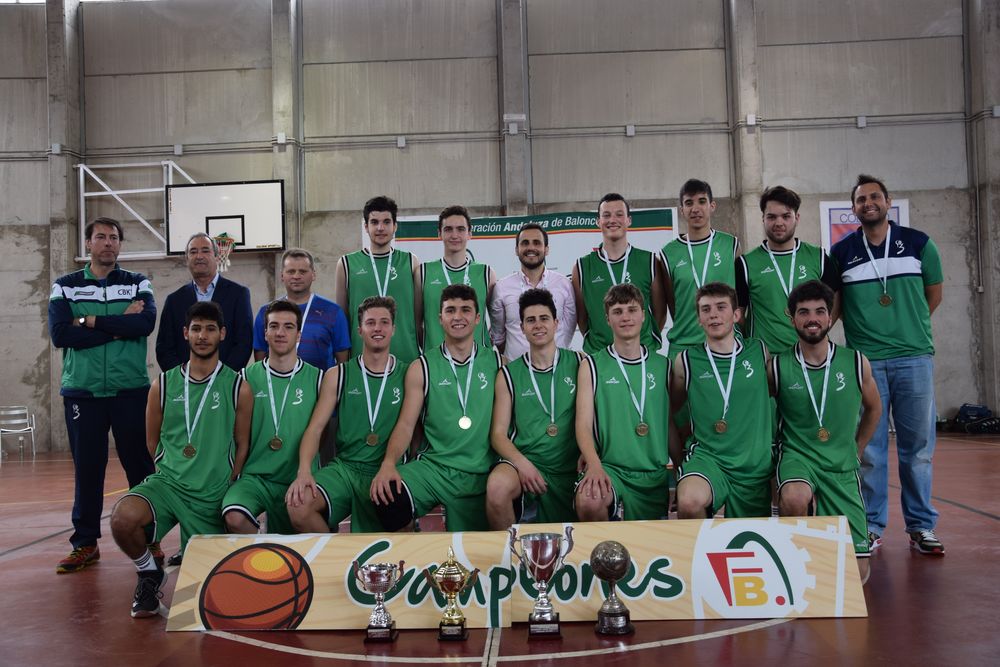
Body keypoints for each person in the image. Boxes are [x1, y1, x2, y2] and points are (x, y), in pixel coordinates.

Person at [109, 301, 252, 617]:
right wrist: (171, 466)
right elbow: (152, 440)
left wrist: (229, 481)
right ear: (186, 333)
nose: (203, 336)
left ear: (222, 334)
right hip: (169, 485)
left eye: (210, 329)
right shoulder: (162, 384)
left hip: (212, 494)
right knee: (122, 519)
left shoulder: (238, 386)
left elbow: (243, 443)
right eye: (197, 328)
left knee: (213, 608)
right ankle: (149, 572)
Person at [830, 174, 945, 555]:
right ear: (854, 208)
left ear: (888, 201)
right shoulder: (843, 251)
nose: (868, 203)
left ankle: (921, 526)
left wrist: (907, 331)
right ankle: (872, 526)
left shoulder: (918, 244)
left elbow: (933, 294)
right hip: (867, 362)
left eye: (874, 197)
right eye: (861, 199)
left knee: (918, 448)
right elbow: (836, 306)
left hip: (914, 358)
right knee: (870, 450)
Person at [49, 217, 158, 574]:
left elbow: (143, 324)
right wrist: (115, 330)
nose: (108, 243)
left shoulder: (138, 283)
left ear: (120, 245)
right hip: (84, 393)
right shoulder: (64, 287)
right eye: (100, 237)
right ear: (88, 244)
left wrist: (90, 321)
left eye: (114, 237)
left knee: (140, 467)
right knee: (88, 468)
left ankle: (150, 537)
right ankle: (85, 544)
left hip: (130, 390)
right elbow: (62, 335)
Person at [771, 280, 882, 583]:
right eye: (804, 312)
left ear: (830, 318)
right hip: (798, 458)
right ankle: (795, 562)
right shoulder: (778, 367)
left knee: (858, 577)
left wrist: (858, 448)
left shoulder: (856, 362)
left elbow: (875, 409)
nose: (812, 319)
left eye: (820, 311)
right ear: (791, 318)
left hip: (841, 467)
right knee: (794, 497)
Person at [370, 284, 502, 532]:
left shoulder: (497, 363)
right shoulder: (422, 367)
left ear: (477, 318)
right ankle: (413, 563)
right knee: (388, 495)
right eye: (450, 310)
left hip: (483, 470)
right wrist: (388, 463)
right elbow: (406, 425)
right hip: (436, 469)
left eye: (465, 310)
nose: (458, 317)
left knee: (483, 545)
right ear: (440, 318)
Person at [286, 296, 408, 534]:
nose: (378, 328)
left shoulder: (408, 373)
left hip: (386, 467)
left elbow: (411, 429)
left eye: (384, 322)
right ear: (359, 329)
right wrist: (304, 472)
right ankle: (337, 559)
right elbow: (315, 428)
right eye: (371, 322)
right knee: (298, 504)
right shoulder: (337, 374)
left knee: (399, 519)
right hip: (346, 468)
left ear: (393, 329)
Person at [670, 282, 773, 519]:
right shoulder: (685, 360)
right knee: (689, 501)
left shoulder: (759, 351)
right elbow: (670, 411)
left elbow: (775, 395)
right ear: (698, 318)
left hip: (752, 463)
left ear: (736, 314)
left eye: (721, 307)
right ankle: (699, 553)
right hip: (709, 459)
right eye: (705, 309)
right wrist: (679, 460)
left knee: (750, 543)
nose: (713, 314)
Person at [223, 300, 323, 534]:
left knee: (311, 539)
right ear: (265, 333)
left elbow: (322, 431)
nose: (280, 333)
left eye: (288, 327)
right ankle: (262, 550)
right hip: (255, 477)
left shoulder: (318, 378)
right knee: (235, 517)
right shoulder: (244, 377)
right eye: (274, 326)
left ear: (298, 334)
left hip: (298, 477)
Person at [575, 284, 671, 521]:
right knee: (590, 498)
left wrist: (680, 468)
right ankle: (599, 556)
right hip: (612, 469)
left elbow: (669, 424)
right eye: (617, 311)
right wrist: (595, 465)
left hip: (653, 473)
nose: (625, 317)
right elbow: (583, 425)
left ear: (643, 314)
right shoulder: (592, 365)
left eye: (631, 310)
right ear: (607, 319)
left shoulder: (664, 366)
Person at [486, 288, 581, 529]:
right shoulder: (507, 374)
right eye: (531, 320)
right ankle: (509, 562)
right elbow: (498, 434)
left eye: (544, 318)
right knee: (497, 488)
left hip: (570, 466)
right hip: (526, 463)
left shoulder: (580, 363)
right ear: (522, 327)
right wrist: (522, 463)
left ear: (556, 323)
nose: (538, 325)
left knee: (595, 495)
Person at [736, 186, 841, 354]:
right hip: (766, 358)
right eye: (771, 217)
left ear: (797, 218)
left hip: (810, 356)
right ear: (763, 218)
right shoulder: (745, 263)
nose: (779, 223)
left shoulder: (818, 257)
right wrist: (753, 342)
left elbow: (836, 300)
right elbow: (738, 314)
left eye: (786, 216)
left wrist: (821, 330)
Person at [573, 193, 667, 355]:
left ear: (628, 220)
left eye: (619, 214)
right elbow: (582, 317)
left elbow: (659, 312)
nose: (612, 220)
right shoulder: (582, 266)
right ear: (598, 222)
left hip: (641, 353)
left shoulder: (650, 261)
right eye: (606, 215)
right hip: (600, 355)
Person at [335, 195, 421, 362]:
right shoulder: (346, 264)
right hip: (361, 359)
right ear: (366, 226)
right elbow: (343, 320)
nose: (380, 228)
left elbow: (418, 319)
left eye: (386, 222)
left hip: (405, 357)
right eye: (374, 222)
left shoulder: (411, 262)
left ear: (395, 226)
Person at [662, 179, 739, 355]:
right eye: (689, 203)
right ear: (682, 210)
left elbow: (740, 297)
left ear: (712, 206)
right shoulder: (668, 253)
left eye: (702, 201)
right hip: (685, 344)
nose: (695, 208)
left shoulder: (731, 244)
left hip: (727, 342)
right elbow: (672, 303)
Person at [156, 232, 253, 372]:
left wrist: (223, 376)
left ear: (216, 256)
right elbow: (164, 348)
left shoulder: (239, 294)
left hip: (224, 382)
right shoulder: (174, 300)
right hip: (184, 385)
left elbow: (243, 343)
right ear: (187, 259)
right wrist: (182, 377)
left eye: (205, 250)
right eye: (193, 252)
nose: (199, 256)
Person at [253, 248, 350, 371]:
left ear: (313, 274)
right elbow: (260, 361)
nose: (296, 276)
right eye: (291, 271)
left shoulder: (333, 312)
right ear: (282, 275)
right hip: (276, 387)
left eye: (303, 272)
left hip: (320, 387)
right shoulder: (266, 312)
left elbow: (342, 362)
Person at [489, 223, 576, 359]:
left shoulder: (564, 284)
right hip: (516, 371)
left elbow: (568, 330)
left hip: (557, 370)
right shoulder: (502, 288)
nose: (531, 247)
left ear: (546, 249)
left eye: (536, 243)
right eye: (525, 243)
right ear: (517, 249)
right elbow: (498, 336)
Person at [420, 205, 496, 350]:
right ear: (439, 234)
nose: (454, 235)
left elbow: (496, 326)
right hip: (436, 364)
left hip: (477, 364)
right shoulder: (423, 273)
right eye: (448, 229)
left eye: (461, 229)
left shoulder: (486, 273)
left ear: (469, 234)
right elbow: (417, 325)